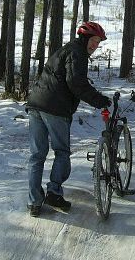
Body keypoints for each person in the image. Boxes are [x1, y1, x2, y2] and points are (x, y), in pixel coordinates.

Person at [25, 21, 112, 217]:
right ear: (84, 38)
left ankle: (34, 202)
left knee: (37, 155)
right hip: (55, 109)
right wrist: (99, 100)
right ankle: (54, 193)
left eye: (98, 42)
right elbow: (75, 83)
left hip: (36, 104)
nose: (95, 45)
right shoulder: (77, 53)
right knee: (62, 152)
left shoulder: (66, 50)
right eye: (93, 40)